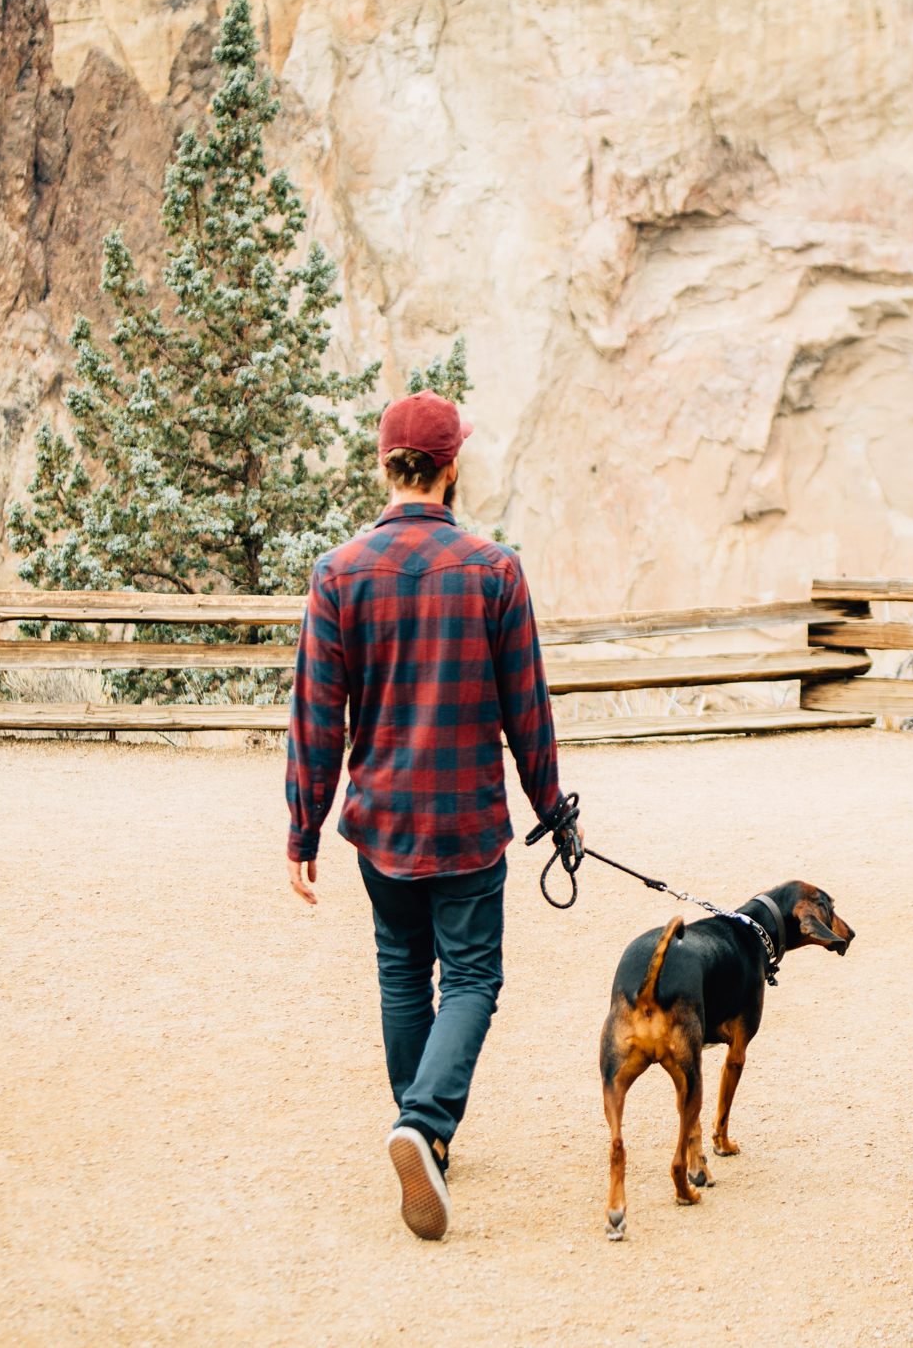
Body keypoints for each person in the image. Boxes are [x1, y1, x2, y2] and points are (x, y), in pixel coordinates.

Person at [283, 390, 565, 1241]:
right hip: (468, 820)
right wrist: (553, 809)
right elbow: (529, 710)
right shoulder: (494, 568)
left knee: (402, 970)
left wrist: (304, 828)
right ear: (451, 467)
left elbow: (315, 714)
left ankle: (422, 1126)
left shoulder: (338, 573)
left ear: (385, 465)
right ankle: (426, 1123)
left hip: (382, 821)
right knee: (473, 977)